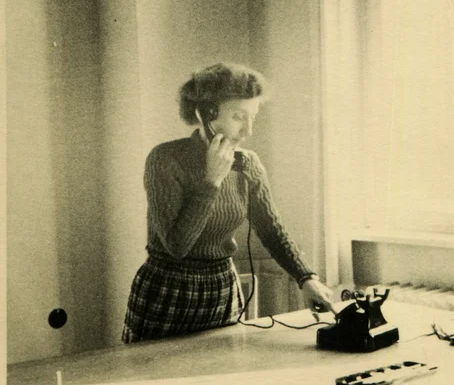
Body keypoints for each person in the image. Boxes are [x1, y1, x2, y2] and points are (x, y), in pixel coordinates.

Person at [122, 62, 335, 343]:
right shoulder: (165, 159)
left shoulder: (248, 164)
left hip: (221, 290)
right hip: (169, 290)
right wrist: (211, 181)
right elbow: (177, 245)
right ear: (206, 114)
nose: (247, 131)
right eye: (238, 116)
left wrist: (306, 278)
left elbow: (271, 230)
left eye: (253, 117)